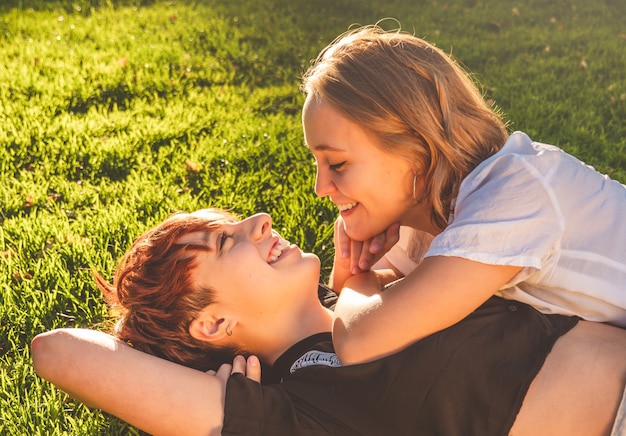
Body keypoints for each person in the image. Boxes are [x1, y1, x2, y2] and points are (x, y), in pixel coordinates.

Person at [31, 208, 626, 435]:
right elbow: (57, 352)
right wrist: (216, 397)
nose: (260, 221)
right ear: (213, 325)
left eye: (237, 221)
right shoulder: (293, 405)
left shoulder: (393, 283)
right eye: (224, 242)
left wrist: (363, 284)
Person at [301, 24, 626, 365]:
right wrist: (356, 277)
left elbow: (361, 340)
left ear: (416, 149)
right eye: (317, 161)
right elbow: (347, 313)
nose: (320, 188)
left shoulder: (513, 194)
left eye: (337, 163)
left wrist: (359, 279)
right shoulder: (415, 211)